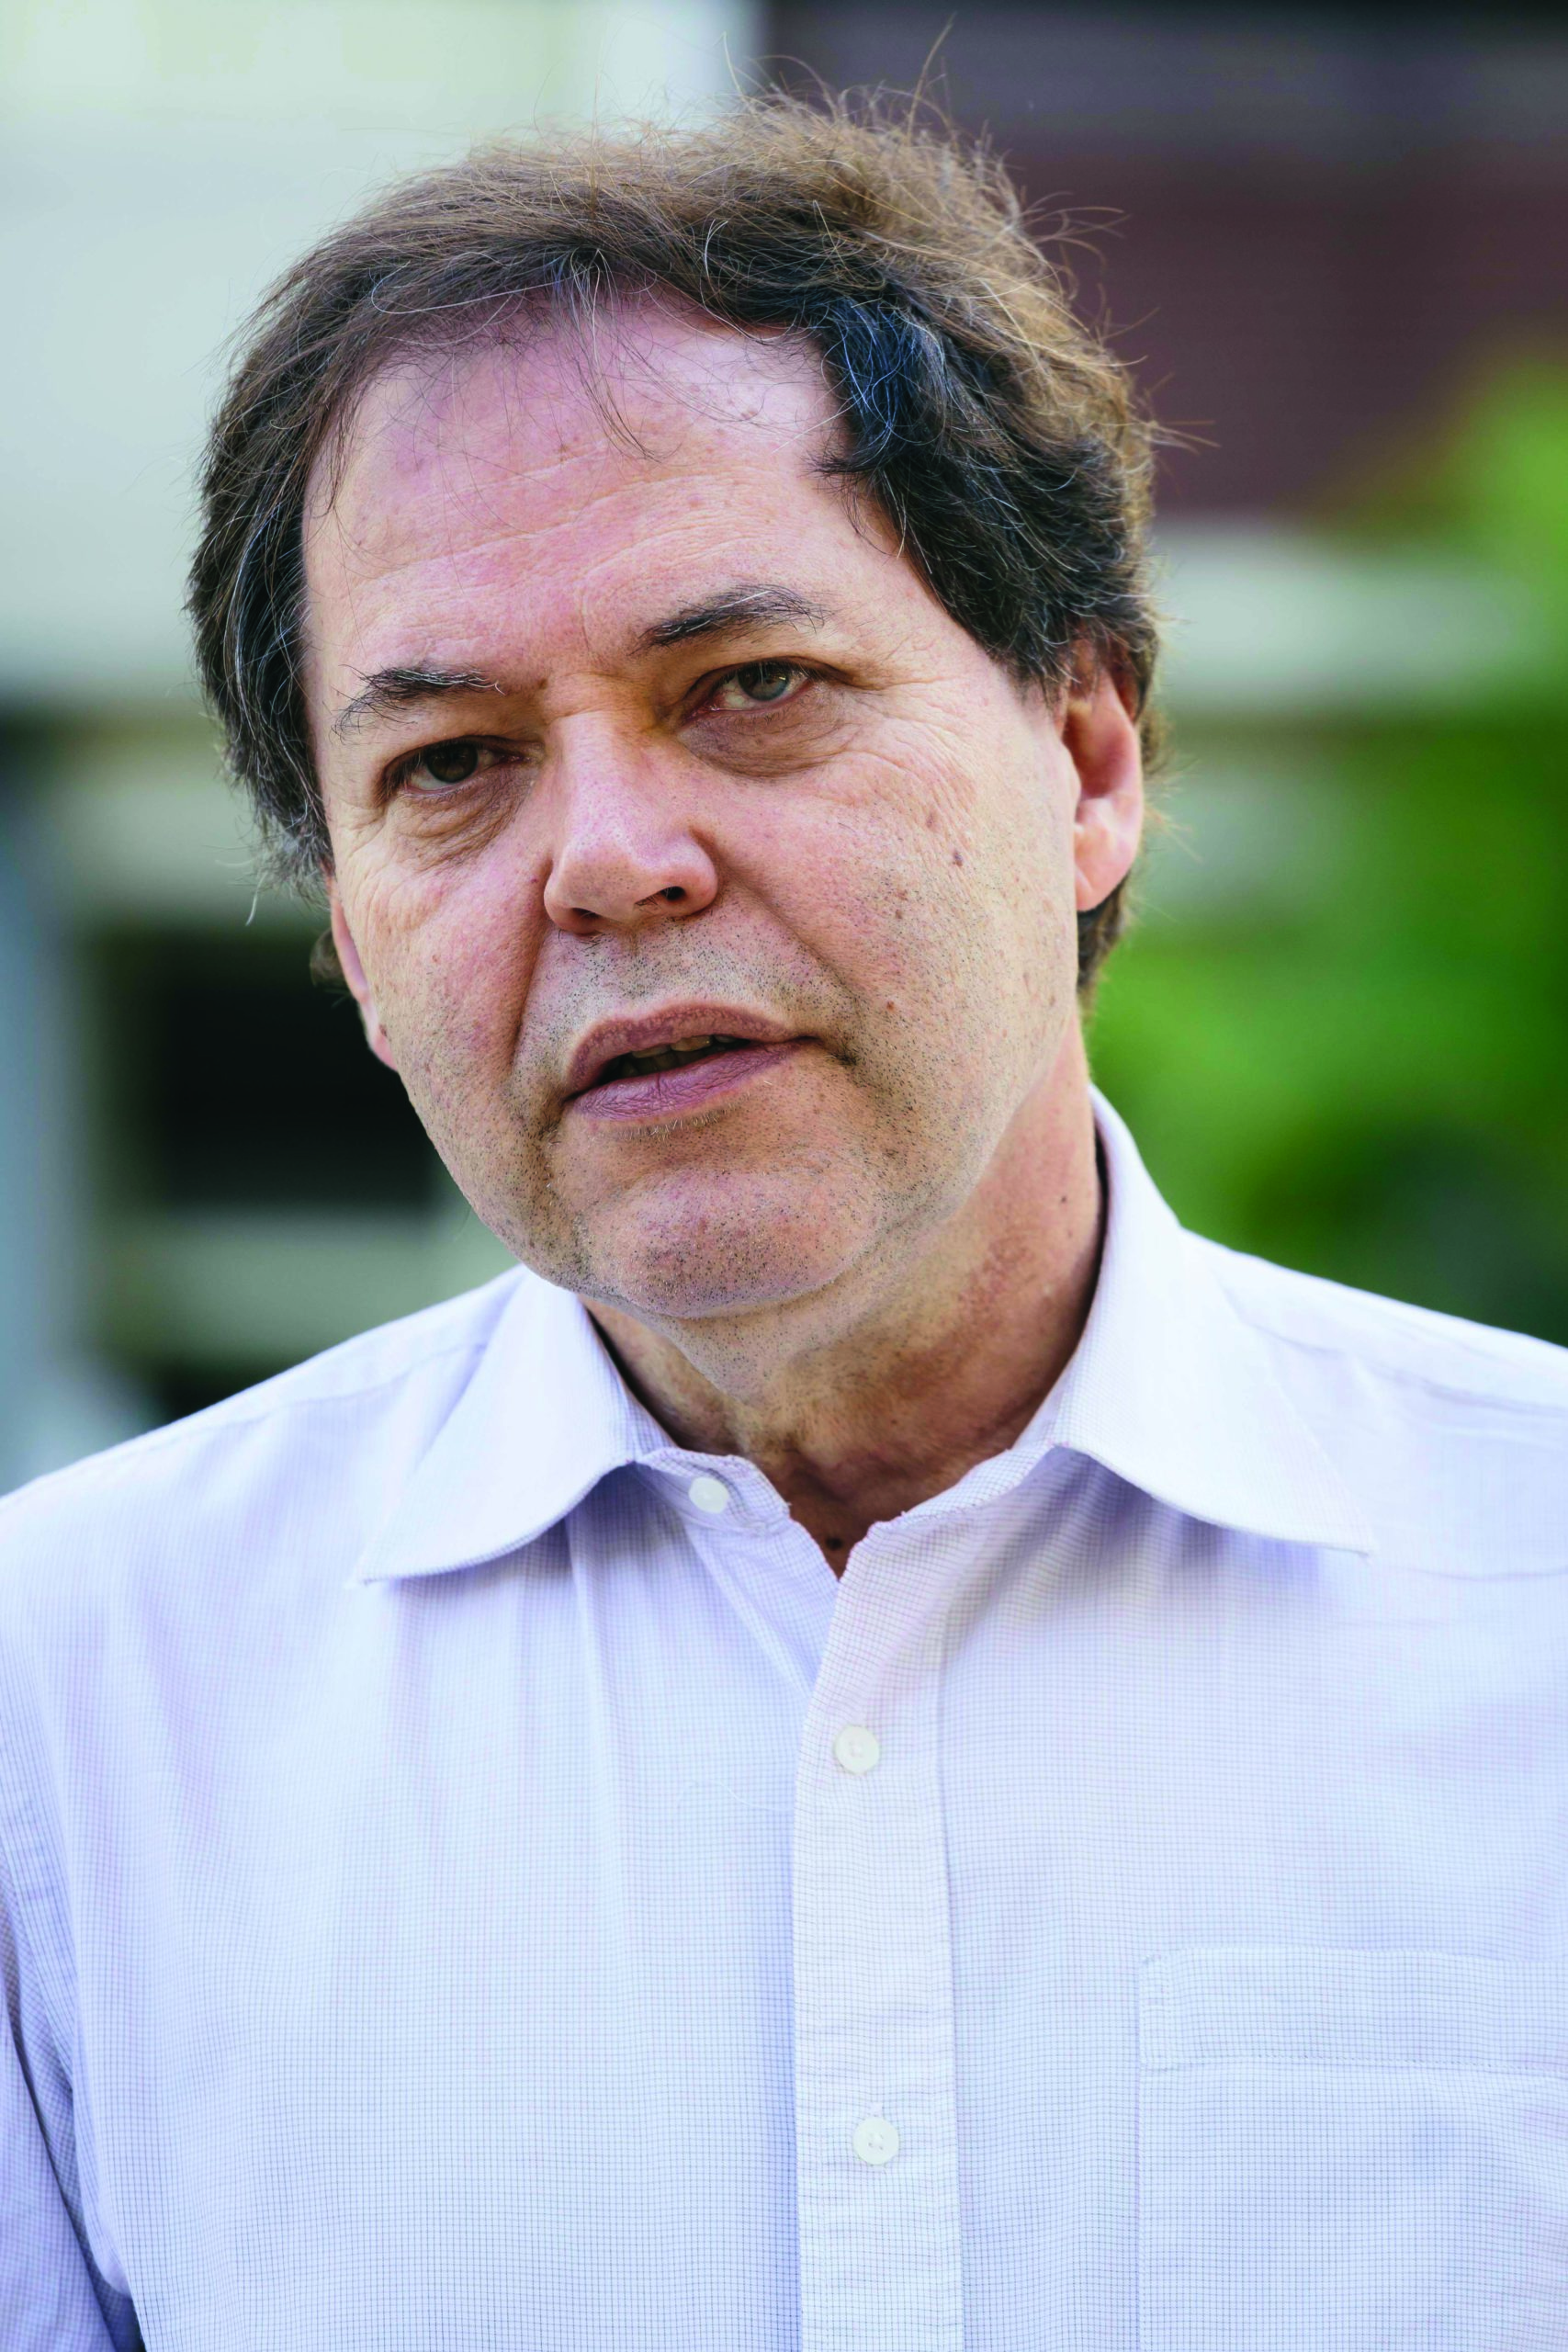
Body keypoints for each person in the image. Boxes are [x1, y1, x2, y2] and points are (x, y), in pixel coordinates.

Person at [4, 96, 1567, 2352]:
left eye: (750, 690)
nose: (607, 858)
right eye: (450, 763)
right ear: (350, 937)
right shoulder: (72, 1706)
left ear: (1088, 758)